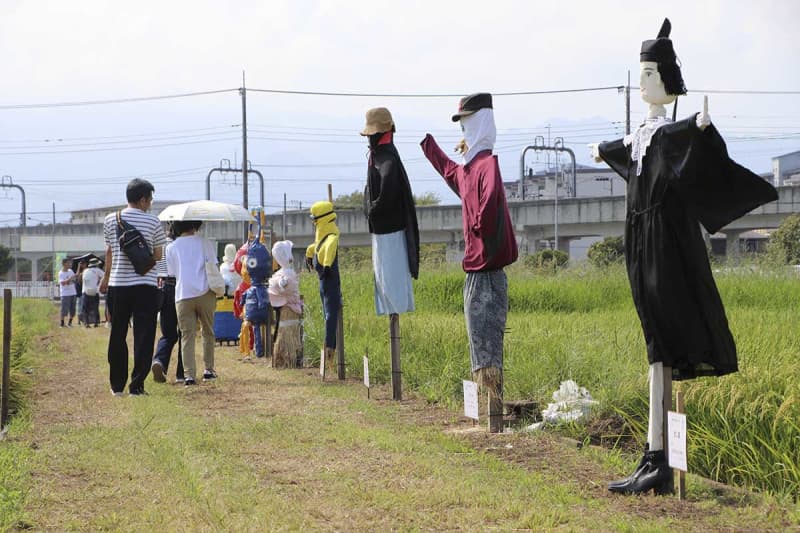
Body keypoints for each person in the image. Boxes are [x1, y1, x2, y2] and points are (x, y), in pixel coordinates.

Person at [592, 19, 778, 495]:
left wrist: (702, 128)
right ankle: (653, 456)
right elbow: (624, 151)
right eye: (641, 75)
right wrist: (601, 148)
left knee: (663, 345)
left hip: (664, 249)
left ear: (668, 81)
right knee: (655, 342)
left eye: (651, 75)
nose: (643, 83)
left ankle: (659, 459)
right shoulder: (642, 138)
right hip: (639, 244)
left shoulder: (668, 135)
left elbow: (692, 143)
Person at [420, 92, 518, 432]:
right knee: (480, 339)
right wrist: (429, 147)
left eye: (467, 121)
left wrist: (478, 224)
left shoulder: (487, 165)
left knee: (487, 339)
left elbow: (488, 202)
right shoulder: (471, 169)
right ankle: (488, 409)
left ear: (481, 122)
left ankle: (492, 412)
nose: (464, 128)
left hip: (487, 269)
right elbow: (452, 173)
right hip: (477, 271)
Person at [99, 178, 166, 396]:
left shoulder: (110, 220)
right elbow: (157, 256)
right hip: (145, 285)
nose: (151, 203)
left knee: (117, 334)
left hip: (118, 285)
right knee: (144, 336)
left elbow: (109, 252)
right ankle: (137, 385)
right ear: (143, 199)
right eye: (150, 199)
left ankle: (116, 386)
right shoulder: (154, 222)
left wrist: (106, 278)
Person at [361, 107, 419, 315]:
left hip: (390, 233)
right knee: (385, 281)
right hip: (383, 232)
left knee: (392, 284)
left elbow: (386, 192)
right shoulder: (381, 156)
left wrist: (372, 209)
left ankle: (395, 323)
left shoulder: (387, 159)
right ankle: (392, 318)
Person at [165, 220, 217, 387]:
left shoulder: (171, 247)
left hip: (183, 294)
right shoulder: (205, 242)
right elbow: (213, 266)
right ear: (196, 225)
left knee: (187, 335)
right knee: (207, 331)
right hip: (205, 292)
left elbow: (172, 272)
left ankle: (188, 375)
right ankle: (208, 370)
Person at [306, 201, 341, 377]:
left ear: (320, 219)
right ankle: (328, 355)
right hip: (326, 284)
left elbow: (329, 249)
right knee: (328, 316)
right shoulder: (324, 237)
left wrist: (326, 265)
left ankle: (330, 354)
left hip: (328, 281)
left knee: (330, 317)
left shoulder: (331, 237)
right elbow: (318, 246)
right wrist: (309, 253)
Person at [151, 223, 185, 384]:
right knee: (184, 333)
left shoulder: (159, 246)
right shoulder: (178, 246)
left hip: (162, 288)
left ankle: (159, 361)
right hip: (179, 287)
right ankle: (181, 373)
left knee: (168, 333)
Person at [268, 240, 303, 368]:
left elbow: (283, 286)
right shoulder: (286, 273)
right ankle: (286, 357)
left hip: (287, 309)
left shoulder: (286, 275)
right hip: (287, 309)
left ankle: (286, 358)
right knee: (286, 333)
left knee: (286, 333)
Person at [81, 258, 103, 328]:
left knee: (85, 309)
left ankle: (86, 323)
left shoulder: (85, 271)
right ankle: (96, 323)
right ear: (96, 264)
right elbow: (106, 276)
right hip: (95, 292)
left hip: (85, 291)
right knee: (95, 308)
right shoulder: (98, 270)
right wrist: (100, 281)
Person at [57, 258, 78, 328]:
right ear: (64, 264)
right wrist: (70, 279)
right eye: (68, 263)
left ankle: (70, 323)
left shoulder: (71, 271)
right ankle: (62, 323)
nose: (70, 264)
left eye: (70, 263)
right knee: (64, 309)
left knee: (73, 309)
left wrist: (70, 280)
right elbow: (63, 283)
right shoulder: (61, 273)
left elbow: (74, 279)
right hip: (65, 294)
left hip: (73, 292)